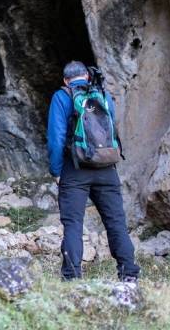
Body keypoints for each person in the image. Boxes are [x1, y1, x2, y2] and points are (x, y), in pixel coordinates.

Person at [47, 61, 140, 282]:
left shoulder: (62, 96)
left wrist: (56, 170)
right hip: (106, 168)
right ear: (87, 77)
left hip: (76, 168)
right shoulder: (102, 95)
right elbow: (111, 128)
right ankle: (129, 274)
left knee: (73, 224)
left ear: (65, 80)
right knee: (116, 221)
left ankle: (71, 276)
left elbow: (56, 139)